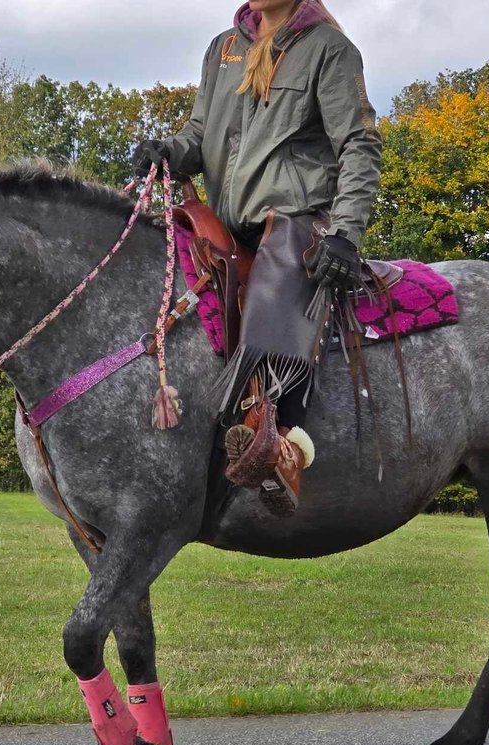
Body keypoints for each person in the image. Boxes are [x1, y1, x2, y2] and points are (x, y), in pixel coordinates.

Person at [133, 0, 382, 516]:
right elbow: (199, 137)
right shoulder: (223, 49)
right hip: (226, 221)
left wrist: (345, 233)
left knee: (276, 284)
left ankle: (282, 442)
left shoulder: (329, 50)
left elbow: (359, 144)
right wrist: (167, 151)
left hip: (298, 216)